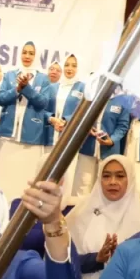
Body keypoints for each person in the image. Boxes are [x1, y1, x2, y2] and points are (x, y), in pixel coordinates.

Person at [0, 41, 52, 201]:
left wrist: (27, 88)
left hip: (31, 136)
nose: (27, 56)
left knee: (26, 178)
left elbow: (42, 103)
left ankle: (23, 210)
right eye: (24, 52)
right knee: (5, 175)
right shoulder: (10, 75)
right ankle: (2, 207)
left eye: (31, 53)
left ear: (36, 56)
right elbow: (0, 99)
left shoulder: (43, 79)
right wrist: (17, 89)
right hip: (9, 134)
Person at [47, 54, 98, 196]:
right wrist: (52, 119)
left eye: (74, 66)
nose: (69, 68)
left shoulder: (83, 87)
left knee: (67, 176)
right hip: (50, 136)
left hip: (70, 137)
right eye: (67, 65)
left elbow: (84, 110)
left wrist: (66, 120)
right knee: (48, 173)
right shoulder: (53, 87)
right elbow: (45, 110)